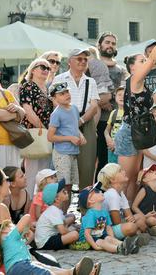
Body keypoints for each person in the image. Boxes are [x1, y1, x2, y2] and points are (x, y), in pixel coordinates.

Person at [115, 27, 156, 201]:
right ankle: (118, 215)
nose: (146, 61)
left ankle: (130, 212)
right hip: (129, 133)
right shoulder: (134, 79)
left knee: (134, 179)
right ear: (132, 67)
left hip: (139, 132)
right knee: (122, 180)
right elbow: (154, 59)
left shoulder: (139, 81)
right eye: (142, 60)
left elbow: (154, 60)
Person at [51, 48, 99, 189]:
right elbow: (56, 102)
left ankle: (85, 208)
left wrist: (81, 121)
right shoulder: (60, 79)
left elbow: (94, 106)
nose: (83, 61)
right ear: (70, 61)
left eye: (85, 59)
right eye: (79, 58)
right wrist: (72, 123)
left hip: (86, 123)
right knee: (64, 173)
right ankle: (63, 208)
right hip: (64, 124)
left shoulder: (91, 81)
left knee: (87, 168)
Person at [0, 216, 98, 275]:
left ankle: (73, 272)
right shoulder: (9, 238)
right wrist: (23, 226)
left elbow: (30, 237)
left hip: (21, 267)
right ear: (3, 233)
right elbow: (26, 217)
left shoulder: (11, 244)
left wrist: (27, 231)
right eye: (9, 226)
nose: (13, 226)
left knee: (46, 267)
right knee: (46, 272)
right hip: (21, 266)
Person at [88, 31, 128, 180]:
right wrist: (100, 101)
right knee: (97, 159)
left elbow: (124, 89)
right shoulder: (91, 65)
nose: (110, 46)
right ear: (99, 45)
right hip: (97, 120)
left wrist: (109, 98)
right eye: (107, 42)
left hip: (116, 120)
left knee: (113, 161)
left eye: (113, 43)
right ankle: (97, 191)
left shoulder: (121, 70)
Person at [19, 58, 54, 199]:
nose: (46, 70)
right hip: (35, 131)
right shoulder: (27, 86)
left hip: (48, 132)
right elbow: (27, 109)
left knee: (45, 171)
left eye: (48, 68)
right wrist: (41, 127)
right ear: (33, 69)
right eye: (42, 67)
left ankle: (41, 202)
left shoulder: (49, 88)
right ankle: (28, 204)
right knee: (32, 171)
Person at [70, 183, 138, 255]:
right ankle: (119, 249)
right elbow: (87, 234)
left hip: (99, 234)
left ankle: (127, 245)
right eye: (96, 191)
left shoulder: (104, 212)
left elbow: (108, 228)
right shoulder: (90, 214)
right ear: (91, 201)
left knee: (108, 238)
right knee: (101, 242)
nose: (100, 191)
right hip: (87, 240)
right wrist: (94, 246)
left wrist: (112, 239)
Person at [48, 82, 85, 210]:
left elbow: (73, 127)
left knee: (69, 186)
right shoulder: (56, 114)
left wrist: (80, 135)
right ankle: (58, 214)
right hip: (62, 153)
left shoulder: (74, 108)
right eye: (61, 94)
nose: (66, 95)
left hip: (73, 152)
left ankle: (64, 214)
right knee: (63, 185)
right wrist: (70, 138)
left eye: (67, 92)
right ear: (54, 98)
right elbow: (50, 137)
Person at [96, 163, 150, 242]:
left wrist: (132, 220)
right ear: (112, 179)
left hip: (119, 224)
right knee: (132, 227)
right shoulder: (112, 194)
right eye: (120, 171)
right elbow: (116, 222)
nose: (124, 172)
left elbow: (129, 215)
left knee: (141, 217)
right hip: (108, 229)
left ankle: (134, 235)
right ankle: (135, 235)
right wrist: (131, 222)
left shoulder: (120, 193)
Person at [34, 180, 78, 251]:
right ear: (57, 199)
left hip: (48, 238)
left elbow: (63, 224)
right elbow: (62, 231)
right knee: (75, 234)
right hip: (45, 243)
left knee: (72, 224)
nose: (66, 192)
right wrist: (71, 231)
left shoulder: (55, 210)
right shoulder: (54, 211)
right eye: (64, 191)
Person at [131, 164, 156, 236]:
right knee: (152, 220)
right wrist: (144, 216)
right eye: (150, 171)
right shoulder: (144, 190)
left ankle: (153, 229)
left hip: (154, 216)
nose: (154, 171)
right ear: (144, 179)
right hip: (142, 217)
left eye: (155, 171)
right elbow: (134, 206)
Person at [105, 86, 124, 165]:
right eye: (119, 94)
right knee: (113, 171)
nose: (122, 97)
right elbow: (106, 130)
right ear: (115, 97)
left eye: (124, 94)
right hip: (112, 148)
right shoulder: (113, 113)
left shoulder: (131, 113)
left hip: (124, 148)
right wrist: (108, 139)